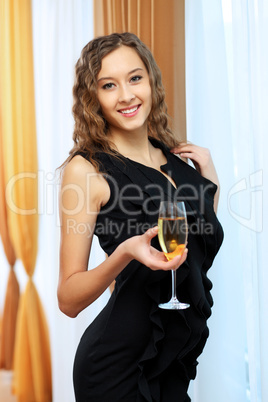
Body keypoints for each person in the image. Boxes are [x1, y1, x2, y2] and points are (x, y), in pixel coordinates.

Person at [57, 32, 223, 402]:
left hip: (174, 360)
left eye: (135, 78)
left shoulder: (177, 161)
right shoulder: (87, 171)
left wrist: (209, 180)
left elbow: (196, 247)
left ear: (151, 81)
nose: (127, 95)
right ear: (93, 98)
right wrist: (124, 253)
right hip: (116, 367)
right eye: (108, 85)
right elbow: (68, 300)